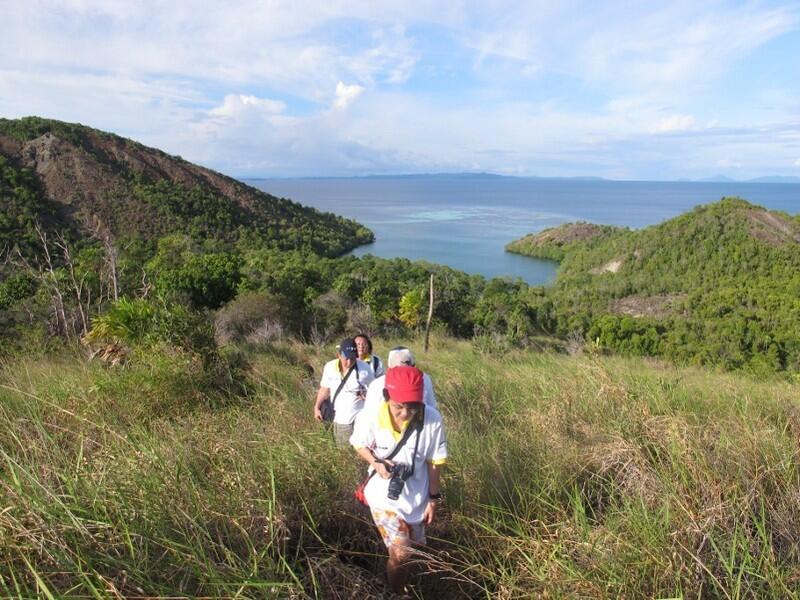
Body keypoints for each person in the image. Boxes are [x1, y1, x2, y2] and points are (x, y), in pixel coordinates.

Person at [350, 366, 447, 594]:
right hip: (383, 497)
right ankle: (396, 593)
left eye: (412, 407)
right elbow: (358, 443)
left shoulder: (432, 419)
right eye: (398, 407)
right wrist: (375, 462)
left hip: (416, 496)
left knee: (413, 551)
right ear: (387, 398)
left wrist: (433, 499)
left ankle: (400, 580)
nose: (404, 414)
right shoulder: (372, 414)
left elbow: (435, 461)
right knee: (401, 552)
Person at [314, 338, 374, 446]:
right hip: (341, 420)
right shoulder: (330, 367)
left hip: (360, 419)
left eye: (353, 358)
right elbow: (324, 389)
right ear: (339, 355)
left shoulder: (365, 368)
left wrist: (367, 396)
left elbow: (374, 389)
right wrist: (317, 407)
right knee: (344, 451)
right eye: (346, 358)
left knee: (361, 449)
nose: (349, 362)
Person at [362, 346, 436, 414]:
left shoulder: (425, 378)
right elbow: (369, 414)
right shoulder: (377, 385)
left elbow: (431, 407)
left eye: (408, 371)